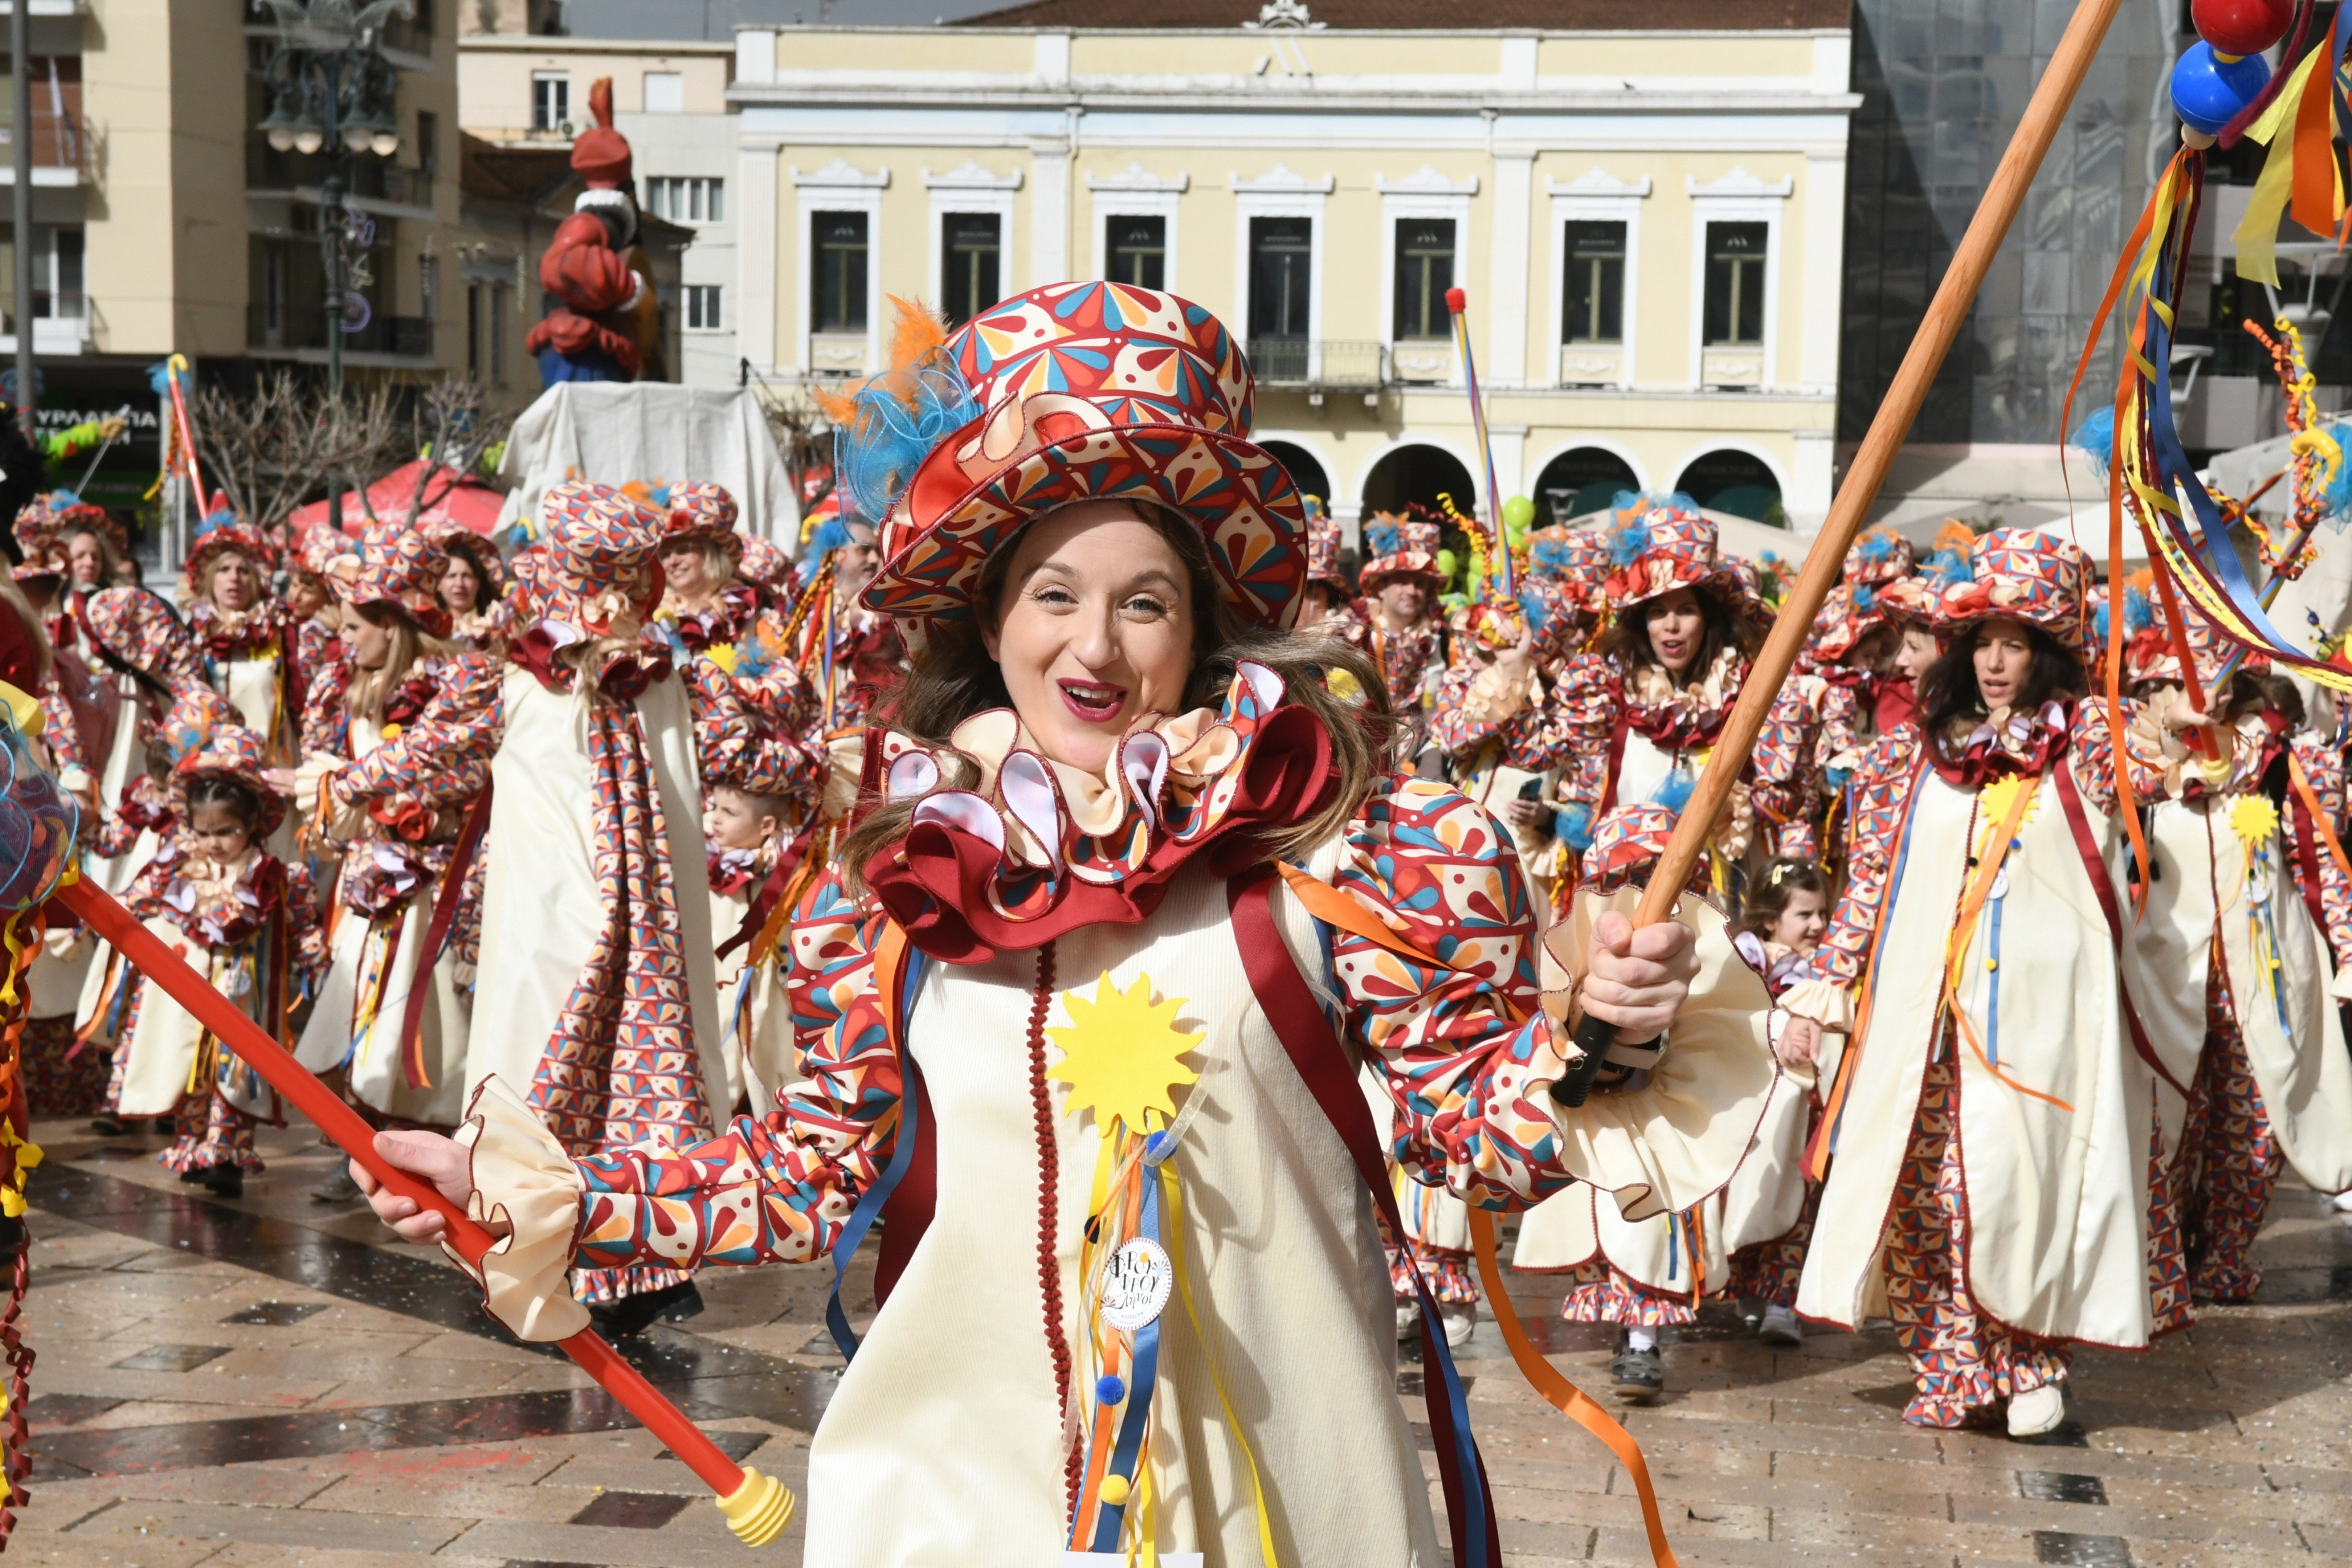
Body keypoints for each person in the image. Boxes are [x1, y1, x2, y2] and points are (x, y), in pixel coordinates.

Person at [355, 282, 1770, 1568]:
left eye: (1144, 603)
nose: (1095, 651)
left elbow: (1483, 1137)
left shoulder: (1350, 855)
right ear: (990, 619)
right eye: (1055, 595)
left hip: (1283, 1511)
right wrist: (536, 1194)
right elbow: (805, 1176)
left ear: (1205, 627)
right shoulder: (898, 883)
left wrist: (1602, 1030)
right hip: (963, 1510)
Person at [1778, 529, 2193, 1438]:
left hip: (2048, 1027)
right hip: (1926, 1026)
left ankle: (2033, 1360)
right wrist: (1821, 990)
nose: (1998, 662)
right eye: (1983, 642)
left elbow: (2174, 755)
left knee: (2025, 1189)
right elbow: (1871, 887)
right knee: (1931, 1194)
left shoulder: (2087, 744)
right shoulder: (1905, 756)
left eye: (2017, 642)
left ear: (2047, 651)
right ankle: (1951, 1363)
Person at [285, 525, 498, 1199]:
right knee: (362, 1010)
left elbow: (468, 779)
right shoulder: (343, 686)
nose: (343, 639)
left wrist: (411, 808)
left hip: (436, 882)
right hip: (370, 881)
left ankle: (423, 1146)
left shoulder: (453, 682)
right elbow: (333, 777)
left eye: (354, 626)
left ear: (391, 624)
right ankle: (366, 1145)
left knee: (430, 1019)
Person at [98, 689, 320, 1197]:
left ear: (254, 827)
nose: (215, 842)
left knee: (234, 1074)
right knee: (187, 1069)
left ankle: (227, 1154)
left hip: (243, 997)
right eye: (205, 832)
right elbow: (132, 900)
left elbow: (303, 923)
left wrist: (314, 961)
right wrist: (104, 913)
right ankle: (194, 1144)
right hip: (186, 994)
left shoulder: (272, 875)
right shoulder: (177, 867)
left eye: (228, 831)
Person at [1723, 857, 1834, 1347]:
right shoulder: (1749, 959)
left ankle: (1780, 1301)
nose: (1818, 925)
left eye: (1822, 914)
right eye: (1804, 915)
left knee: (1796, 1195)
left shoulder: (1825, 968)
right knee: (1747, 1195)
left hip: (1800, 1107)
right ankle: (1746, 1286)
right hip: (1749, 1101)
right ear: (1771, 918)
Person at [433, 527, 506, 651]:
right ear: (439, 584)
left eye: (467, 576)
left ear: (478, 583)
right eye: (452, 576)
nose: (459, 584)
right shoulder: (431, 631)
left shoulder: (498, 627)